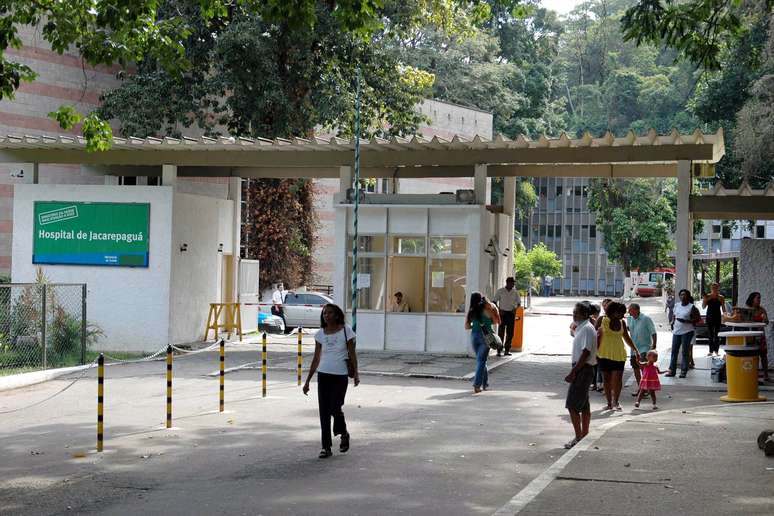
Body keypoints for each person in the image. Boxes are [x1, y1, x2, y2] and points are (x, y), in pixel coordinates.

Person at [302, 304, 360, 459]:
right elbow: (316, 358)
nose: (326, 315)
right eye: (324, 313)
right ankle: (325, 447)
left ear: (336, 315)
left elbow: (353, 354)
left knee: (335, 407)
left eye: (329, 313)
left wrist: (356, 374)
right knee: (324, 412)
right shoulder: (320, 334)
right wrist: (307, 380)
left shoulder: (346, 330)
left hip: (340, 375)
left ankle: (344, 433)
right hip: (323, 374)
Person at [564, 302, 598, 449]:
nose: (574, 314)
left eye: (576, 312)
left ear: (584, 314)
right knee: (584, 406)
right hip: (582, 368)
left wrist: (574, 371)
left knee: (572, 405)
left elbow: (586, 352)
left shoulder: (588, 329)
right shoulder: (582, 327)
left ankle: (579, 437)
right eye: (573, 311)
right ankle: (584, 435)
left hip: (583, 369)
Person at [596, 301, 639, 411]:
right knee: (606, 379)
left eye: (623, 313)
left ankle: (616, 401)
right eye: (620, 313)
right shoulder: (602, 320)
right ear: (613, 311)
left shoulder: (622, 323)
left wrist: (635, 349)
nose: (622, 315)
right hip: (603, 353)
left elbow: (627, 338)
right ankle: (609, 403)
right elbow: (594, 335)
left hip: (619, 354)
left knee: (618, 379)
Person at [464, 292, 501, 394]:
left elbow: (466, 326)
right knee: (481, 361)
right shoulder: (488, 309)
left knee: (481, 360)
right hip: (486, 336)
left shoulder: (471, 310)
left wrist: (475, 325)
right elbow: (496, 321)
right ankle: (477, 385)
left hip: (474, 336)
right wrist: (488, 321)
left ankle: (485, 384)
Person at [667, 289, 700, 378]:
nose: (682, 296)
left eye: (684, 295)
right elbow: (674, 315)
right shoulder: (677, 305)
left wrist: (687, 321)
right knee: (674, 351)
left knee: (685, 351)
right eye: (681, 295)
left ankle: (683, 371)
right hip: (676, 331)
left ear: (688, 296)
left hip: (687, 331)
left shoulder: (691, 307)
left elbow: (697, 319)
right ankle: (672, 371)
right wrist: (672, 322)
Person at [627, 303, 657, 396]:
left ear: (636, 310)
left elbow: (653, 332)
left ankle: (646, 388)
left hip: (644, 348)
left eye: (630, 310)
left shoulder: (646, 319)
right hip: (634, 349)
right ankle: (641, 388)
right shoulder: (630, 319)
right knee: (635, 369)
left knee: (643, 369)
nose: (629, 312)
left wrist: (654, 344)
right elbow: (628, 330)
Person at [743, 292, 769, 381]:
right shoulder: (748, 310)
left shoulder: (762, 310)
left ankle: (766, 375)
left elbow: (767, 322)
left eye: (760, 298)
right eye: (758, 298)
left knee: (764, 355)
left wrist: (765, 318)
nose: (759, 300)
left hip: (761, 336)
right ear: (752, 299)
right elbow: (744, 322)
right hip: (751, 335)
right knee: (754, 356)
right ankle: (754, 375)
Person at [493, 277, 521, 356]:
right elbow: (494, 301)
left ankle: (507, 350)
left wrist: (515, 308)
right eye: (512, 283)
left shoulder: (515, 292)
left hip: (511, 314)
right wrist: (499, 310)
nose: (513, 284)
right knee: (501, 332)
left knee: (510, 333)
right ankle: (499, 350)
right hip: (502, 314)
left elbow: (519, 303)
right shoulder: (500, 291)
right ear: (507, 283)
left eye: (513, 283)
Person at [702, 283, 726, 357]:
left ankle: (716, 350)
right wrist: (706, 299)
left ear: (718, 288)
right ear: (710, 288)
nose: (714, 289)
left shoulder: (721, 297)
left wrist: (725, 317)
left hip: (717, 317)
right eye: (713, 287)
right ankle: (710, 351)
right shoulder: (707, 296)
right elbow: (703, 307)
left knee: (717, 335)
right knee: (710, 335)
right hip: (709, 317)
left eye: (716, 287)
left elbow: (723, 309)